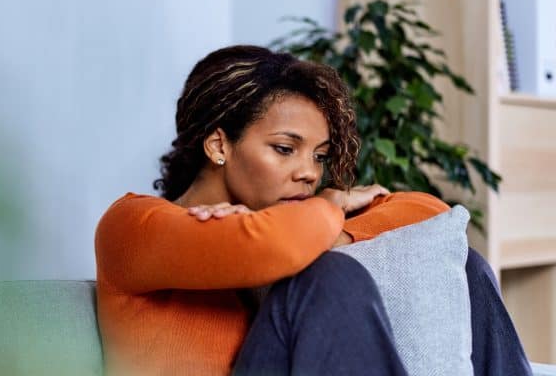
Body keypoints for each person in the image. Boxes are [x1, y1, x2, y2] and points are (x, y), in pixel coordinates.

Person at [94, 45, 531, 375]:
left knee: (467, 264)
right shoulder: (133, 226)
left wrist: (328, 233)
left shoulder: (289, 227)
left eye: (320, 157)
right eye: (285, 149)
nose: (308, 173)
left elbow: (432, 214)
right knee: (329, 276)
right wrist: (330, 205)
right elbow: (279, 245)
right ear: (219, 145)